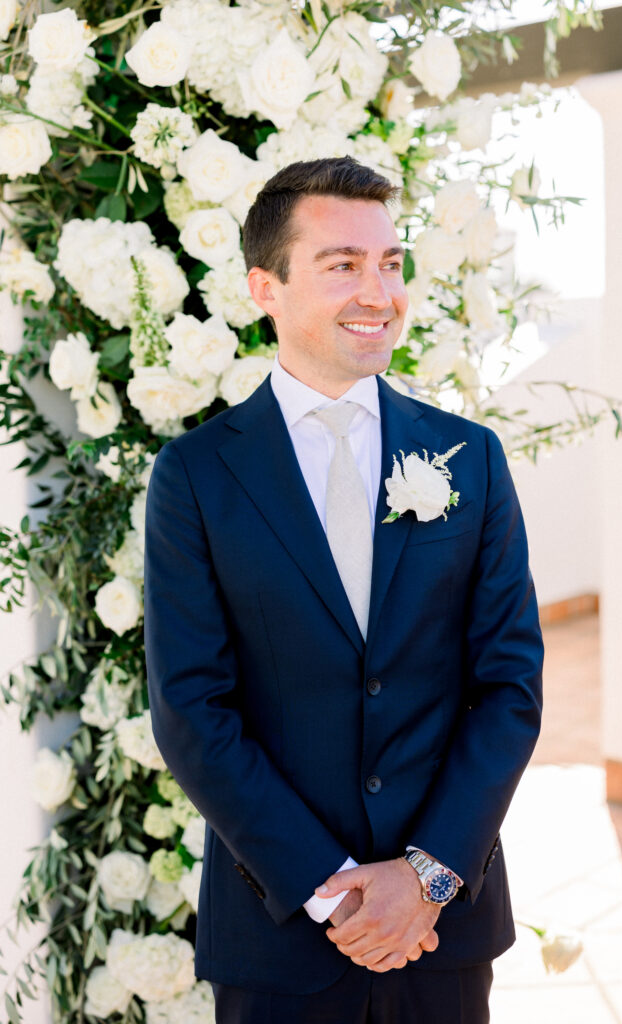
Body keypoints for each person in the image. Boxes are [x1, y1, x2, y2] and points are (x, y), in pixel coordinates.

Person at [144, 156, 544, 1024]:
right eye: (342, 265)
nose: (379, 291)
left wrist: (428, 877)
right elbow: (190, 710)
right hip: (280, 932)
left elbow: (509, 689)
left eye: (390, 263)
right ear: (266, 287)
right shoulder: (195, 476)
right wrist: (335, 894)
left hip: (443, 931)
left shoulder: (465, 459)